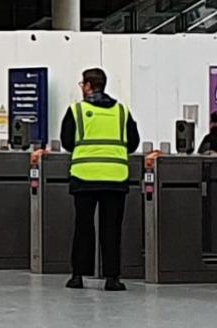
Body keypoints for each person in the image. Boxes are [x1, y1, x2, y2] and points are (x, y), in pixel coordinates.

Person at [60, 67, 140, 292]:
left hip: (84, 178)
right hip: (115, 178)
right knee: (111, 228)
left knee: (83, 227)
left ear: (87, 86)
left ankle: (78, 275)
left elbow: (67, 141)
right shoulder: (122, 111)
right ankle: (112, 278)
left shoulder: (76, 111)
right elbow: (132, 143)